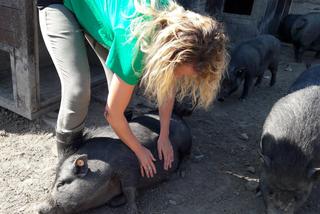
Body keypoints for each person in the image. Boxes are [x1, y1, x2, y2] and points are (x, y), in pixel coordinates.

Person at [37, 0, 227, 178]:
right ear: (170, 55)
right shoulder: (135, 42)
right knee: (78, 89)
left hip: (97, 13)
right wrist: (139, 150)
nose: (179, 79)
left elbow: (166, 86)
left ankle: (120, 141)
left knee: (122, 96)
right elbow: (112, 113)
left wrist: (164, 134)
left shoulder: (179, 26)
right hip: (59, 4)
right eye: (179, 72)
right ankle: (67, 159)